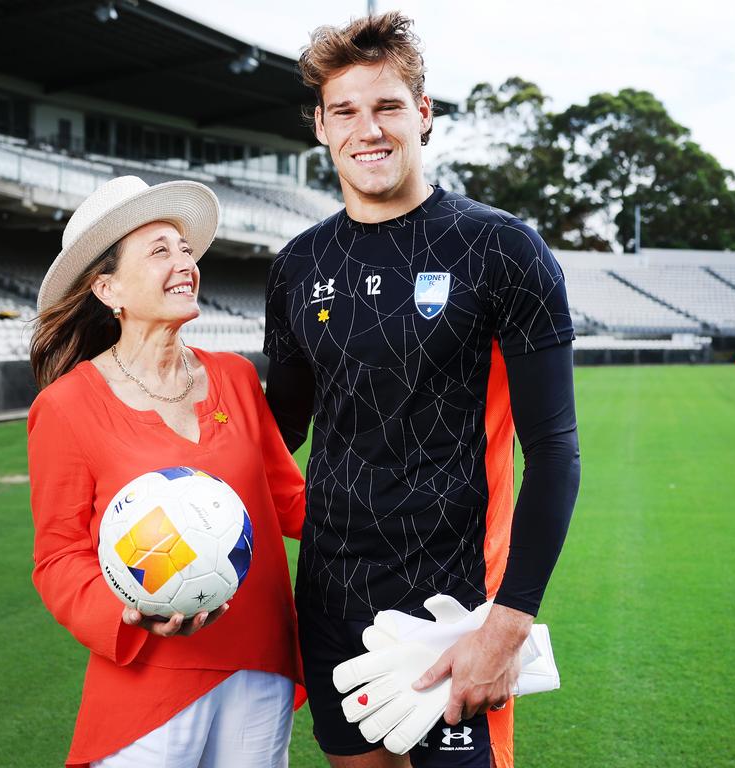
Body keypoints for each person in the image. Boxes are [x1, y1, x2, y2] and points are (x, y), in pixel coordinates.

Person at [263, 13, 581, 768]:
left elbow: (556, 452)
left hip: (454, 610)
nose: (366, 129)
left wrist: (505, 626)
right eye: (344, 111)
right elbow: (279, 430)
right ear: (320, 126)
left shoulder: (502, 249)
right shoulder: (298, 265)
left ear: (424, 114)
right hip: (331, 597)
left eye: (387, 107)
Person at [27, 175, 305, 768]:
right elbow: (57, 557)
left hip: (259, 656)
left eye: (185, 249)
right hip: (148, 671)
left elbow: (289, 501)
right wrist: (128, 614)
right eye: (160, 251)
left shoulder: (234, 376)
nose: (185, 262)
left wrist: (397, 498)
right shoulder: (66, 407)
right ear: (108, 289)